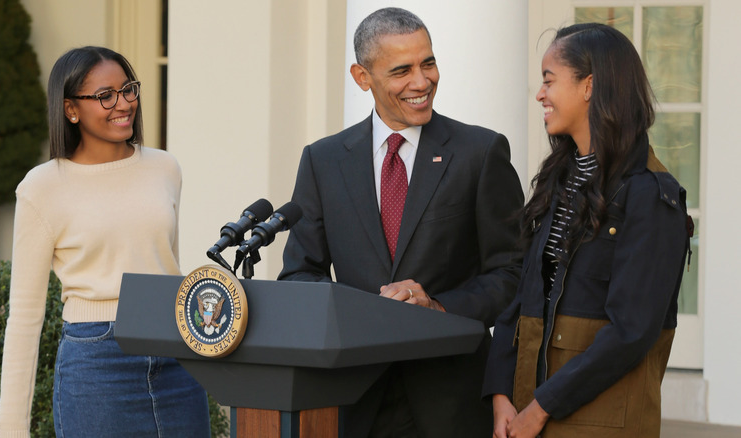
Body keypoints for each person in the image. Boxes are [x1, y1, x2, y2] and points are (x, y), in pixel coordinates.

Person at [278, 7, 523, 438]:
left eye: (428, 63)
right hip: (353, 399)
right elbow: (299, 274)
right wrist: (361, 313)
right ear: (362, 77)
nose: (422, 81)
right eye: (402, 70)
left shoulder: (481, 153)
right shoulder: (322, 160)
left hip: (451, 402)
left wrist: (439, 307)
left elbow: (512, 275)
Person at [482, 23, 691, 438]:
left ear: (590, 86)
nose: (540, 94)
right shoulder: (557, 181)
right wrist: (500, 393)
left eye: (549, 81)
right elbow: (522, 296)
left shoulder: (652, 195)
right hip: (527, 413)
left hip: (596, 423)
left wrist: (542, 406)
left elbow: (631, 331)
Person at [0, 46, 211, 437]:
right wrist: (12, 430)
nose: (123, 103)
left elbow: (166, 266)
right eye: (105, 95)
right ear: (70, 109)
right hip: (96, 363)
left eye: (128, 89)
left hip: (177, 355)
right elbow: (25, 318)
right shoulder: (42, 187)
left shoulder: (164, 167)